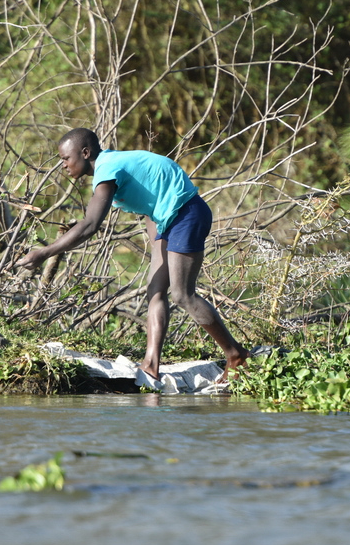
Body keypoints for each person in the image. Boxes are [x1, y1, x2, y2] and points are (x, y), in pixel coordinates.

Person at [15, 128, 249, 384]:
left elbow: (90, 224)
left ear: (85, 153)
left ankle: (235, 354)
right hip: (167, 220)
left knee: (182, 294)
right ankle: (151, 363)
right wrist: (159, 246)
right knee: (155, 290)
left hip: (187, 213)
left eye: (65, 158)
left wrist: (45, 252)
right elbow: (149, 203)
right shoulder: (112, 165)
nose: (63, 165)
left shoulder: (107, 169)